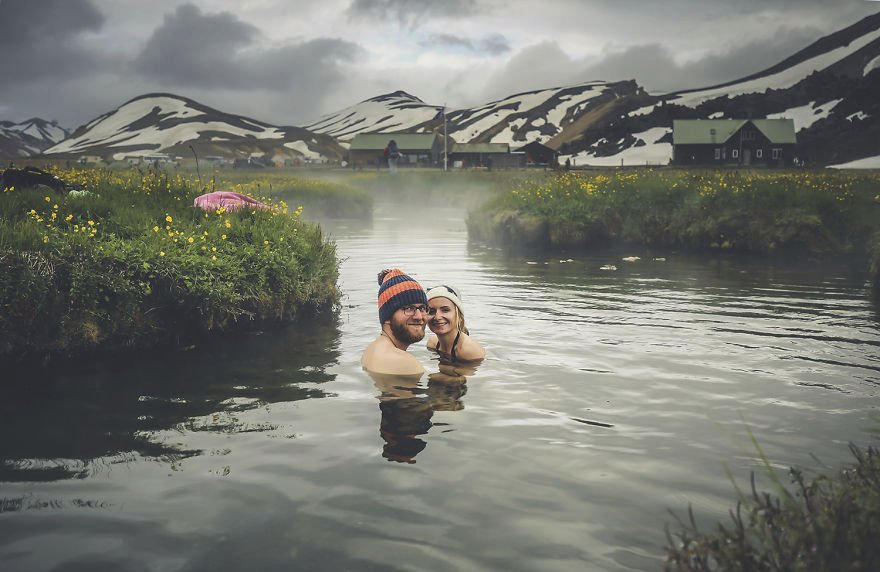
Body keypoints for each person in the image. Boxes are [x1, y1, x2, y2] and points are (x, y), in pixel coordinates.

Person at [361, 268, 430, 376]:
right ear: (387, 316)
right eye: (408, 308)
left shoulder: (371, 350)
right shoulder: (404, 362)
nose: (419, 316)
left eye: (422, 308)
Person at [425, 285, 485, 363]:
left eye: (445, 310)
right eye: (431, 311)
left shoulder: (470, 351)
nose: (437, 317)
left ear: (458, 315)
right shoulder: (432, 344)